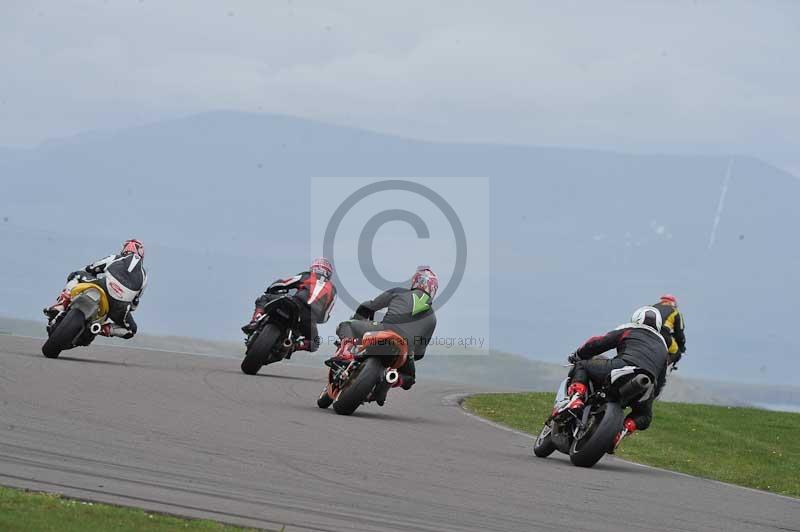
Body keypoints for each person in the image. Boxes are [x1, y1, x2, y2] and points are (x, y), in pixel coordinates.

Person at [562, 306, 669, 449]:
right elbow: (661, 380)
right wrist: (651, 396)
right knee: (644, 416)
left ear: (636, 318)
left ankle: (577, 398)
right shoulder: (664, 347)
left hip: (624, 366)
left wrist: (578, 354)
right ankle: (624, 429)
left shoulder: (630, 329)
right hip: (647, 383)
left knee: (582, 366)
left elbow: (599, 342)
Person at [329, 266, 438, 405]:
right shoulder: (433, 318)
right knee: (409, 378)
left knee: (346, 325)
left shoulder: (399, 292)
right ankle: (390, 380)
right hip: (405, 348)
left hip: (384, 330)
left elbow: (369, 306)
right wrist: (409, 355)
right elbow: (420, 352)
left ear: (415, 281)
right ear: (433, 290)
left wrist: (359, 319)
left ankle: (345, 353)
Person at [44, 239, 147, 339]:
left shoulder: (115, 258)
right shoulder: (144, 277)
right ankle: (101, 329)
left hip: (103, 287)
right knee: (131, 330)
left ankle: (61, 305)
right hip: (120, 307)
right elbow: (134, 304)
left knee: (75, 275)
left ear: (124, 249)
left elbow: (91, 268)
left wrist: (91, 273)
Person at [241, 257, 336, 355]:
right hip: (310, 317)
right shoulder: (333, 290)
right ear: (329, 274)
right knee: (315, 342)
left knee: (264, 298)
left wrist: (271, 289)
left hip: (295, 302)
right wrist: (316, 319)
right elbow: (325, 315)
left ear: (313, 268)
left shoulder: (307, 275)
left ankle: (255, 321)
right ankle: (294, 345)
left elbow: (284, 283)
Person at [653, 294, 686, 365]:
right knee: (676, 352)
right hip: (662, 333)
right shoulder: (675, 312)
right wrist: (682, 347)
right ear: (673, 303)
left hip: (644, 330)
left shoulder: (651, 307)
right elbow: (679, 333)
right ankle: (663, 368)